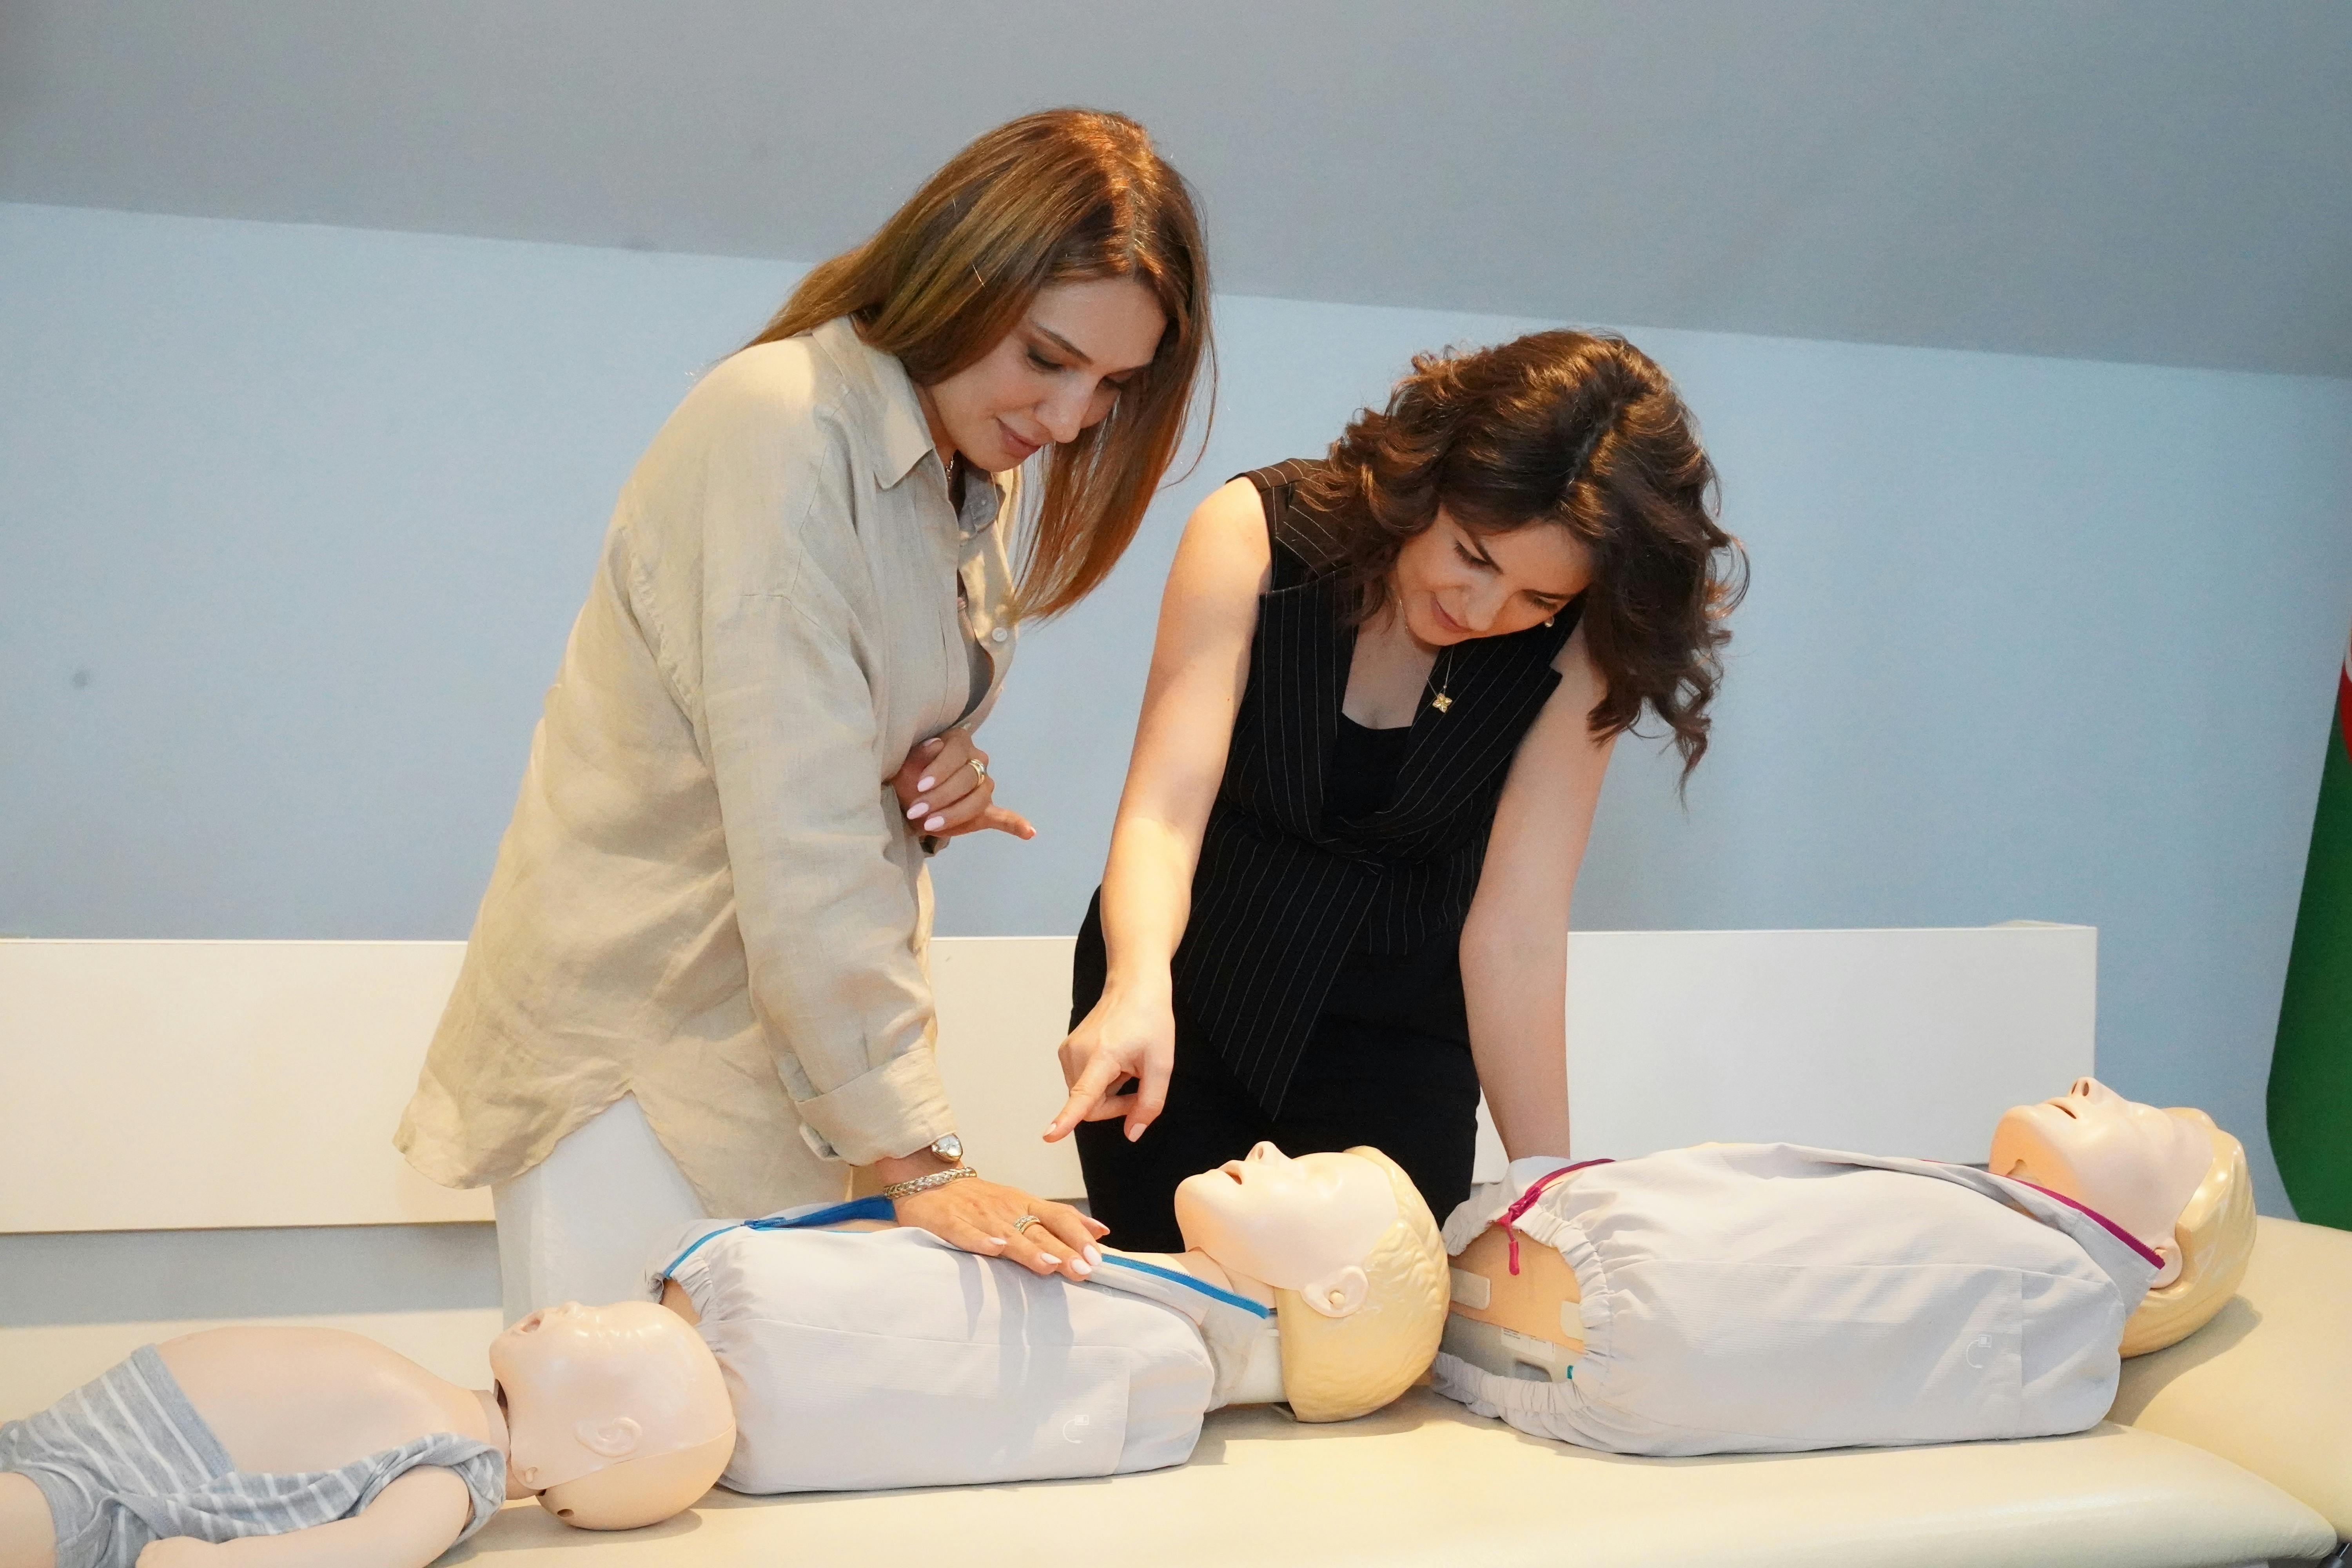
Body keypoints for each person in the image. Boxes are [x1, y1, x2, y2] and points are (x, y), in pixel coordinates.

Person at [394, 108, 1213, 1317]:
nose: (1071, 417)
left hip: (790, 1065)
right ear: (957, 276)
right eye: (1047, 358)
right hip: (647, 1062)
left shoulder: (953, 470)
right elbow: (801, 827)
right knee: (629, 1461)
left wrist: (939, 771)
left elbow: (839, 740)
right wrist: (918, 1160)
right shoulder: (782, 424)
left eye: (1112, 386)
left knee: (761, 1471)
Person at [1046, 331, 1744, 1247]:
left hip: (1403, 1032)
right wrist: (1136, 985)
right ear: (1428, 477)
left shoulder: (1580, 644)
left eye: (1538, 599)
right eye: (1475, 554)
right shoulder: (1255, 531)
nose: (1485, 612)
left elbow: (1518, 928)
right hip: (1186, 997)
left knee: (1380, 1332)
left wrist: (1549, 1191)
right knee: (1185, 1317)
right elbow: (1164, 815)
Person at [1434, 1078, 2254, 1455]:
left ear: (2163, 1259)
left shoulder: (2054, 1296)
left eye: (2145, 1116)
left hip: (1616, 1316)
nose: (2093, 1083)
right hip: (1584, 1284)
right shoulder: (1987, 1220)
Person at [650, 1141, 1446, 1494]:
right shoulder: (1154, 1324)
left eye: (1310, 1174)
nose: (1270, 1146)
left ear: (1336, 1294)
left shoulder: (1158, 1368)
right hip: (707, 1327)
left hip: (693, 1384)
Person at [0, 1301, 733, 1568]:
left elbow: (372, 1552)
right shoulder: (449, 1404)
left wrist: (214, 1565)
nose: (574, 1304)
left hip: (105, 1498)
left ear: (608, 1435)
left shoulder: (458, 1471)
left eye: (601, 1322)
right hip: (89, 1431)